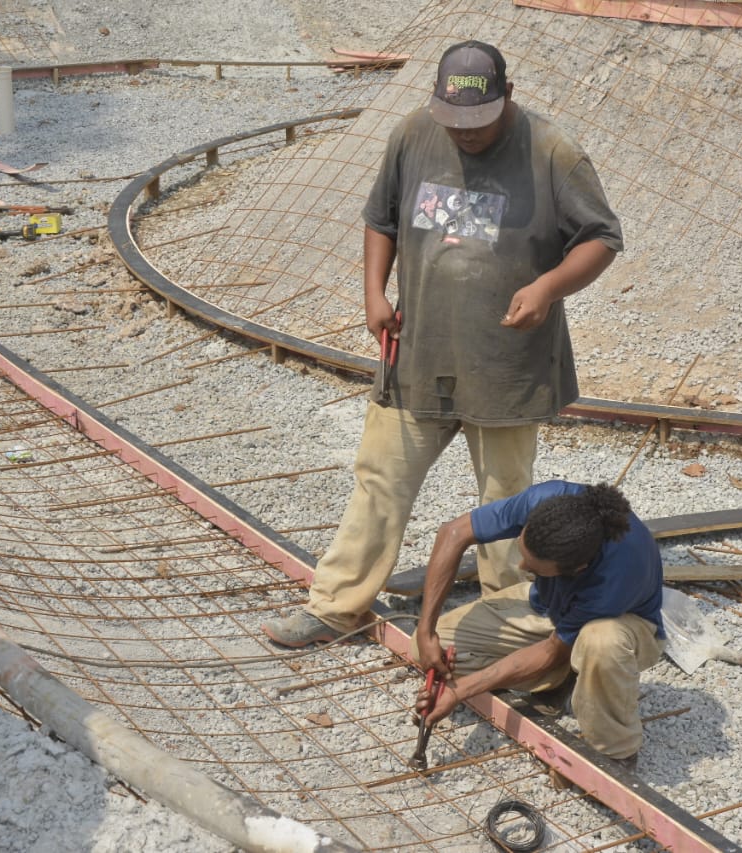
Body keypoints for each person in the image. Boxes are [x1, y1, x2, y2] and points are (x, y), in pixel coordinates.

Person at [263, 40, 623, 647]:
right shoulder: (412, 135)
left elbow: (601, 238)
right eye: (453, 121)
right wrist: (374, 294)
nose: (465, 133)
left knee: (506, 499)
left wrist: (548, 287)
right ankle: (335, 607)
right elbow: (380, 219)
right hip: (418, 354)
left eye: (478, 121)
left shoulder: (551, 151)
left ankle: (504, 624)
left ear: (509, 96)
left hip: (508, 364)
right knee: (380, 479)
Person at [413, 481, 663, 767]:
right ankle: (564, 681)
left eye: (533, 568)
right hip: (548, 606)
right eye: (523, 555)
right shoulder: (545, 501)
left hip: (622, 625)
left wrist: (459, 691)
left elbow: (551, 652)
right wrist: (426, 630)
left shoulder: (617, 576)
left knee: (600, 642)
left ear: (577, 569)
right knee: (427, 649)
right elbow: (454, 532)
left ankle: (616, 752)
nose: (521, 568)